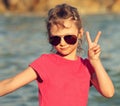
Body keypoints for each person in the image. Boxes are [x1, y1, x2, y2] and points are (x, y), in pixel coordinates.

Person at [0, 3, 114, 106]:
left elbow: (108, 93)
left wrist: (95, 61)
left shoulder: (86, 66)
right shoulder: (45, 63)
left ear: (80, 33)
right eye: (55, 39)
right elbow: (11, 83)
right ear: (49, 37)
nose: (62, 43)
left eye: (69, 37)